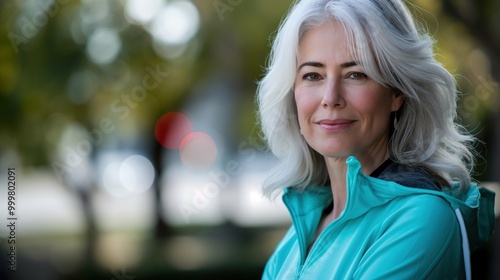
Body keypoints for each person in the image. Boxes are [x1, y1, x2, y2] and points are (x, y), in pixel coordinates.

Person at [256, 0, 496, 279]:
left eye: (356, 74)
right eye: (312, 75)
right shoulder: (299, 236)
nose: (330, 98)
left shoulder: (421, 217)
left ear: (397, 93)